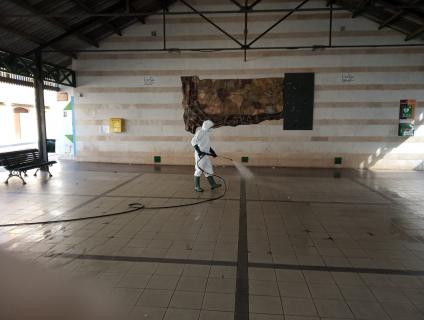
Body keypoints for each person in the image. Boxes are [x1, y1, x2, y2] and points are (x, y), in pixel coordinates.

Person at [191, 120, 222, 192]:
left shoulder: (206, 133)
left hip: (206, 154)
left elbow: (207, 145)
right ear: (207, 127)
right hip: (200, 155)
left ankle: (213, 184)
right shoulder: (200, 132)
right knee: (199, 169)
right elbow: (193, 141)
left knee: (208, 169)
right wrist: (198, 151)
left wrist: (212, 152)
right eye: (211, 127)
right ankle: (196, 186)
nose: (212, 128)